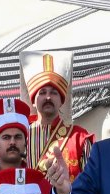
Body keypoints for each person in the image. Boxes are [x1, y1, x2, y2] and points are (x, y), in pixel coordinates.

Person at [23, 51, 94, 183]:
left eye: (54, 93)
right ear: (33, 100)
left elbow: (91, 183)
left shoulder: (80, 138)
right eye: (42, 92)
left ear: (61, 100)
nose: (48, 97)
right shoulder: (20, 136)